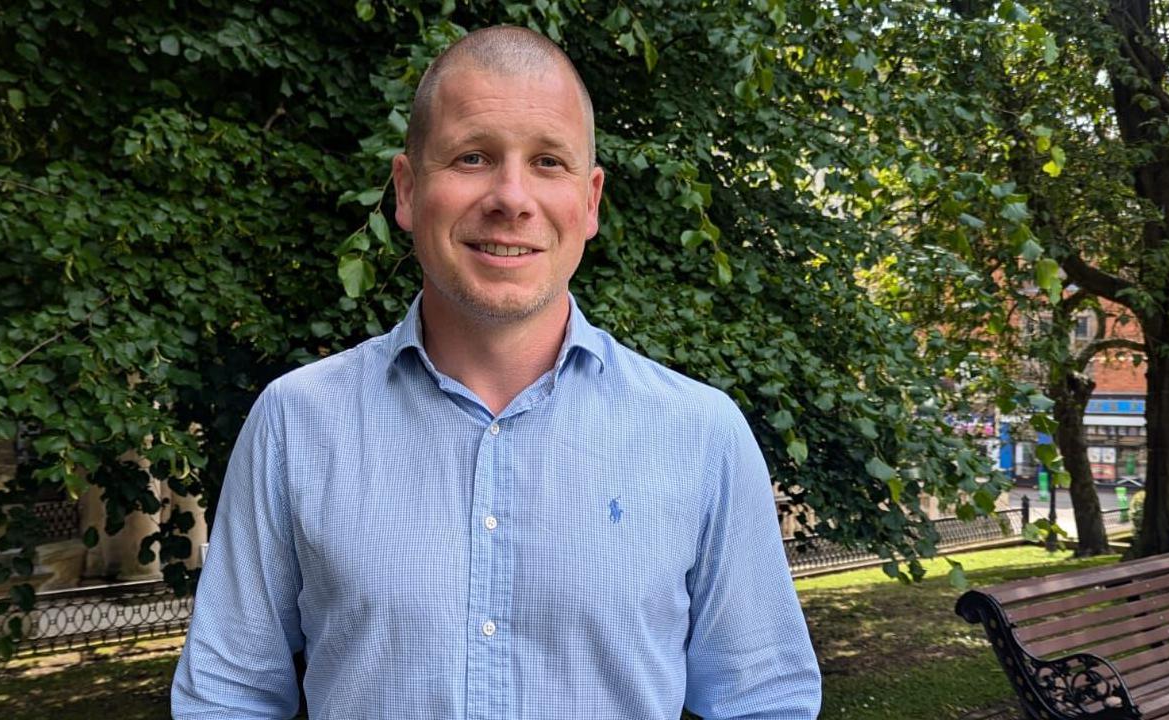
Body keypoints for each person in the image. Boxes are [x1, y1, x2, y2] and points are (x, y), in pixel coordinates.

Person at [172, 25, 821, 720]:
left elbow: (764, 702)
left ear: (591, 201)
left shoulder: (701, 434)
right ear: (408, 190)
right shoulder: (296, 423)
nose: (512, 197)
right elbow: (227, 698)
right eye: (473, 157)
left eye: (548, 162)